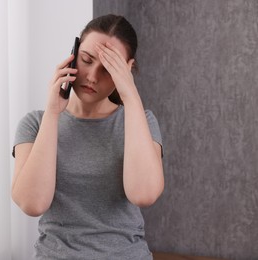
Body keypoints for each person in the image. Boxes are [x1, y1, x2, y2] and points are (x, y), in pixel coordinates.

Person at [11, 14, 164, 260]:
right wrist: (52, 113)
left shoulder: (141, 122)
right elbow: (32, 203)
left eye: (108, 68)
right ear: (73, 54)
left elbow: (143, 194)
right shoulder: (36, 123)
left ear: (127, 70)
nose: (92, 76)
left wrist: (131, 97)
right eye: (86, 60)